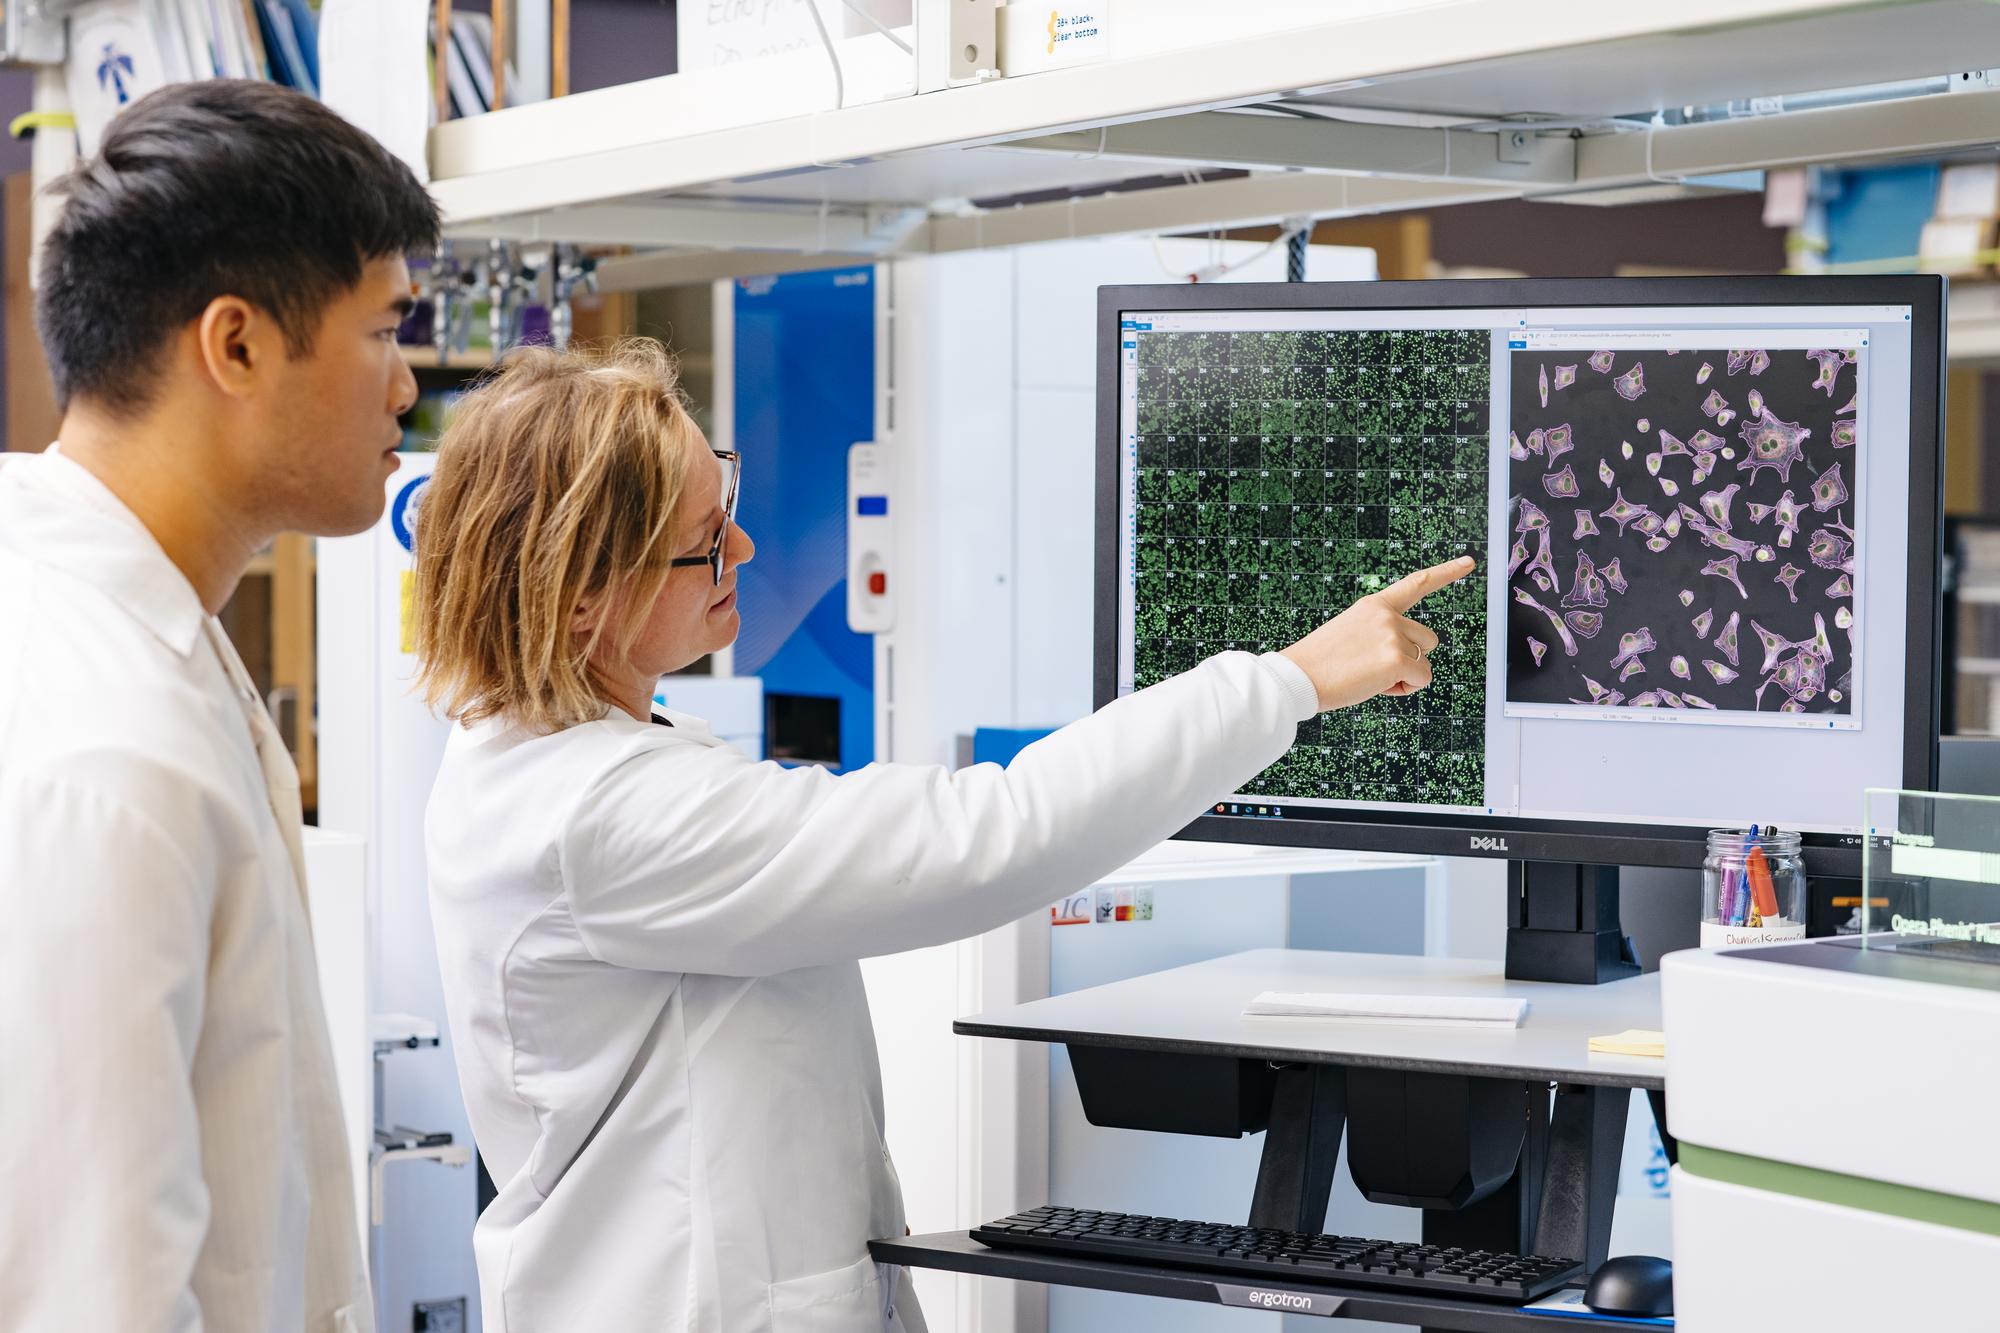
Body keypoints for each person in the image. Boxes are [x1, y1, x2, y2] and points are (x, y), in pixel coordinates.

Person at [414, 340, 1470, 1333]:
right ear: (584, 593)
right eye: (702, 541)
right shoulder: (603, 815)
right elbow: (994, 833)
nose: (740, 544)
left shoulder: (576, 760)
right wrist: (1286, 681)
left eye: (723, 501)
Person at [0, 81, 439, 1331]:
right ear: (236, 344)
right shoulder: (104, 744)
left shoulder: (138, 637)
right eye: (382, 330)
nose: (404, 386)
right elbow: (89, 1292)